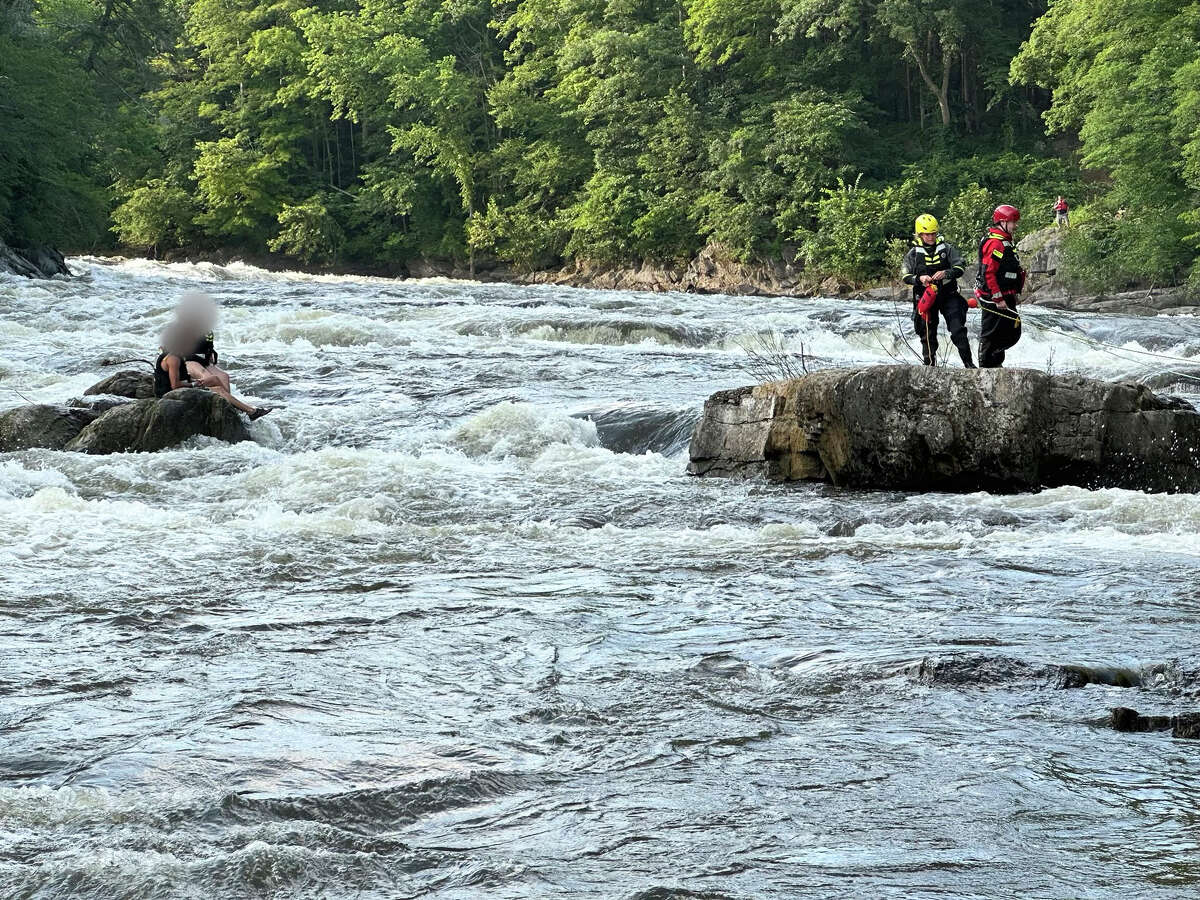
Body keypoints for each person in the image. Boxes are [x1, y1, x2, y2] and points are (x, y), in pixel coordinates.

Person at [154, 293, 272, 420]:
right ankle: (243, 409)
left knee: (223, 377)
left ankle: (229, 406)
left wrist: (209, 357)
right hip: (187, 364)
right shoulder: (176, 348)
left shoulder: (205, 330)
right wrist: (195, 384)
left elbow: (207, 348)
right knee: (209, 378)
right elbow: (174, 383)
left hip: (198, 362)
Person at [900, 214, 975, 368]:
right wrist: (919, 278)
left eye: (933, 234)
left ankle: (969, 365)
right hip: (926, 298)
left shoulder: (947, 249)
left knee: (958, 330)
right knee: (927, 333)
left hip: (949, 295)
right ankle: (930, 366)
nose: (931, 237)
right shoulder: (913, 254)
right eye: (927, 234)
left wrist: (946, 273)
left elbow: (960, 267)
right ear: (920, 234)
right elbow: (905, 276)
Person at [974, 204, 1026, 368]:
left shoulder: (1005, 241)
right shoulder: (995, 244)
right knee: (991, 333)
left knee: (1011, 330)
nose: (1015, 225)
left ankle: (996, 362)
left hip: (1006, 294)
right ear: (1003, 222)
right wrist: (997, 298)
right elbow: (989, 273)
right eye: (1013, 222)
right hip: (993, 297)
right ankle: (985, 365)